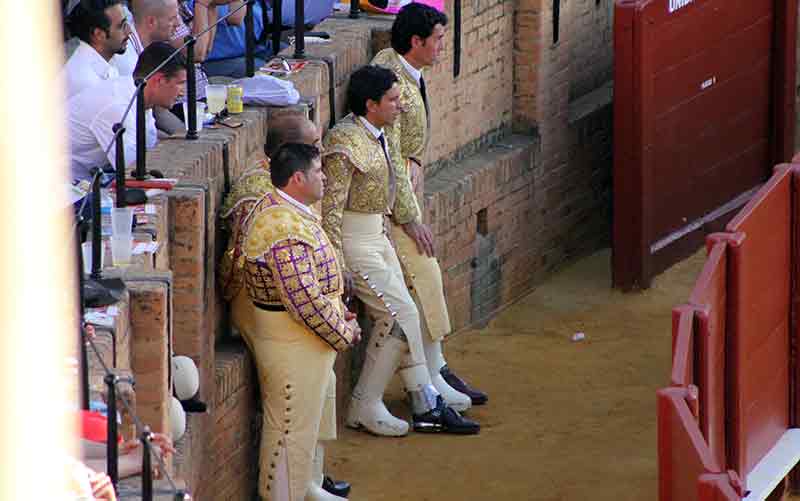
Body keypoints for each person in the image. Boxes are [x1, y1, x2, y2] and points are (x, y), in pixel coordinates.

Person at [321, 65, 480, 436]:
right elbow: (330, 209)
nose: (401, 107)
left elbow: (396, 182)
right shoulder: (345, 144)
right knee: (398, 313)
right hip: (354, 239)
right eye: (393, 100)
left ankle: (424, 397)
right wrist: (337, 261)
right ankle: (366, 404)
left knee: (409, 307)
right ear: (370, 103)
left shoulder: (380, 132)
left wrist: (406, 220)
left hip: (377, 232)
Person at [372, 2, 488, 408]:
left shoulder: (399, 68)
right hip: (391, 203)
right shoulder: (396, 85)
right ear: (416, 42)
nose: (443, 46)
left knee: (419, 283)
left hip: (403, 188)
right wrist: (408, 215)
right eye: (437, 39)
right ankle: (429, 375)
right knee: (423, 276)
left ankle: (434, 369)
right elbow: (391, 152)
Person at [241, 142, 360, 500]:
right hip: (291, 340)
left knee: (304, 424)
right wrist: (345, 331)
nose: (324, 176)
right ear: (297, 178)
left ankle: (305, 489)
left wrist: (338, 312)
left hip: (300, 336)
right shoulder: (282, 226)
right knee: (290, 428)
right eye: (317, 171)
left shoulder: (285, 209)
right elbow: (303, 301)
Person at [68, 42, 186, 183]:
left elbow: (149, 149)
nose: (182, 92)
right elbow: (133, 170)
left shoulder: (140, 96)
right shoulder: (118, 105)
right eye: (180, 83)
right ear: (159, 80)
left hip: (86, 180)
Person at [62, 0, 131, 98]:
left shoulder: (105, 62)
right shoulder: (86, 82)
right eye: (121, 26)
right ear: (98, 34)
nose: (129, 31)